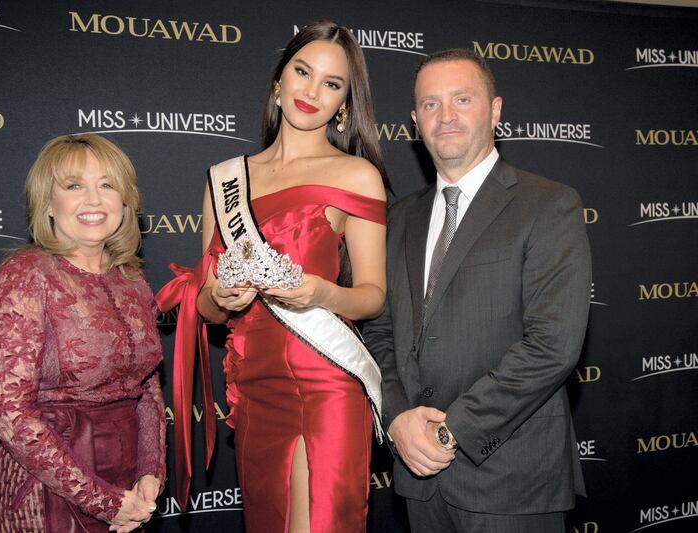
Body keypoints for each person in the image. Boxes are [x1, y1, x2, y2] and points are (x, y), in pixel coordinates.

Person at [157, 20, 388, 533]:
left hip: (326, 378)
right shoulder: (224, 179)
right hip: (255, 385)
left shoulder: (356, 175)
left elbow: (372, 296)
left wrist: (321, 292)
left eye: (332, 84)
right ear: (279, 82)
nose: (312, 91)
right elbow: (211, 310)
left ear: (345, 103)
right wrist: (218, 294)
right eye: (302, 72)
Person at [363, 49, 590, 532]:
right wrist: (398, 418)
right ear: (414, 121)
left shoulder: (549, 205)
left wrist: (451, 432)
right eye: (429, 104)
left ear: (495, 110)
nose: (445, 116)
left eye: (462, 99)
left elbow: (553, 345)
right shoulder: (399, 218)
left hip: (513, 479)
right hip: (418, 477)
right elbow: (379, 333)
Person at [0, 134, 166, 533]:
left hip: (126, 485)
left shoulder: (131, 278)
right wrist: (100, 499)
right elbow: (8, 411)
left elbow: (147, 386)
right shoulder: (25, 275)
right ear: (47, 201)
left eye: (107, 185)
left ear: (126, 201)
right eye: (74, 185)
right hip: (44, 494)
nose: (94, 200)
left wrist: (152, 470)